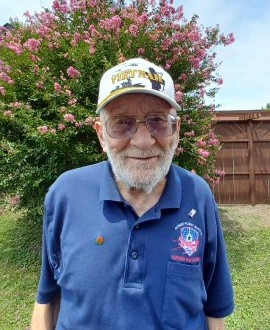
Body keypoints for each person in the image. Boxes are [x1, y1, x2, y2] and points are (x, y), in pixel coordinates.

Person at [31, 58, 234, 330]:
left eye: (158, 121)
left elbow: (214, 310)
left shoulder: (198, 195)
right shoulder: (65, 194)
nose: (143, 140)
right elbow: (48, 298)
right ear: (102, 135)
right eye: (122, 122)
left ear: (176, 131)